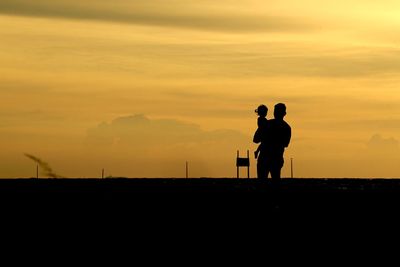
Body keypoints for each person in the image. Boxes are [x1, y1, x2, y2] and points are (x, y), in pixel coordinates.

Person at [256, 103, 291, 180]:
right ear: (284, 114)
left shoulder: (267, 124)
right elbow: (285, 144)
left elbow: (256, 139)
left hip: (265, 158)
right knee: (275, 183)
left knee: (262, 183)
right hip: (276, 159)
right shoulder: (287, 128)